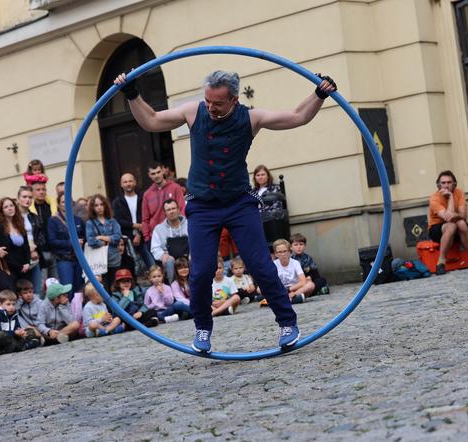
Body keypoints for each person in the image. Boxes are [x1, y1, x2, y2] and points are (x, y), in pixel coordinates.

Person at [114, 69, 336, 352]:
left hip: (238, 203)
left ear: (233, 99)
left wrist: (320, 93)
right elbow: (152, 121)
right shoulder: (194, 112)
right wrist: (131, 93)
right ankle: (203, 329)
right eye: (207, 100)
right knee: (201, 270)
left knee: (260, 266)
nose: (210, 107)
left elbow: (297, 116)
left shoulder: (251, 117)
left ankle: (287, 323)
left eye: (217, 103)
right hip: (202, 205)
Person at [427, 170, 468, 275]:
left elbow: (464, 215)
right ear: (438, 185)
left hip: (458, 226)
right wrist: (450, 198)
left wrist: (456, 215)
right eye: (443, 183)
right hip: (437, 229)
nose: (446, 185)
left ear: (454, 183)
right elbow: (448, 218)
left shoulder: (459, 192)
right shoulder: (434, 198)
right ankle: (441, 263)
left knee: (461, 223)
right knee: (451, 226)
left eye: (449, 182)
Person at [47, 193, 85, 300]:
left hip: (78, 259)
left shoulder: (78, 220)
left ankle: (79, 314)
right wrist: (71, 242)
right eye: (63, 202)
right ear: (58, 204)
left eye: (68, 201)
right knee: (67, 289)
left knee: (80, 289)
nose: (66, 203)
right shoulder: (53, 221)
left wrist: (82, 241)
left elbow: (84, 237)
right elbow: (52, 241)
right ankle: (68, 314)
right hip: (64, 259)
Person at [112, 172, 154, 267]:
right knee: (132, 267)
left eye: (130, 181)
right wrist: (135, 225)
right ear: (121, 184)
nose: (128, 184)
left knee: (152, 264)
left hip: (144, 236)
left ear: (135, 182)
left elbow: (147, 216)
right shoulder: (117, 201)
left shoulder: (143, 198)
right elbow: (117, 220)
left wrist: (139, 234)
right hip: (126, 239)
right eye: (125, 182)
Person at [0, 197, 32, 292]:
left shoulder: (19, 224)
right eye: (6, 207)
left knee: (28, 295)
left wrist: (27, 263)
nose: (10, 208)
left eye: (11, 205)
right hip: (10, 270)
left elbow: (26, 247)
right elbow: (4, 253)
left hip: (25, 268)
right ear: (1, 211)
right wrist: (19, 267)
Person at [140, 162, 185, 246]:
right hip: (156, 236)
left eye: (158, 172)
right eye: (153, 173)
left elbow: (182, 209)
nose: (156, 175)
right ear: (149, 175)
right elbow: (145, 219)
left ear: (163, 171)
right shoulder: (147, 194)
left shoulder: (175, 187)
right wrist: (147, 238)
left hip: (176, 234)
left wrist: (181, 230)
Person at [0, 290, 40, 354]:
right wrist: (15, 333)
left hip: (11, 337)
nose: (11, 307)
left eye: (13, 304)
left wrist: (20, 332)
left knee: (30, 331)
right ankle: (24, 346)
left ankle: (21, 345)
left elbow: (17, 326)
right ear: (0, 304)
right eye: (8, 304)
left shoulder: (13, 313)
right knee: (1, 335)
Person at [86, 194, 122, 287]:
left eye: (101, 204)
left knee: (115, 286)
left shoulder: (112, 221)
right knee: (103, 287)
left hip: (114, 259)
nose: (99, 208)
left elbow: (118, 237)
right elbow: (91, 241)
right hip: (99, 262)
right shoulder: (90, 223)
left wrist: (102, 238)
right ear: (92, 208)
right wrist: (107, 241)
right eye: (96, 205)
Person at [150, 199, 188, 283]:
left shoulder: (189, 224)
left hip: (188, 257)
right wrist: (162, 255)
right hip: (171, 260)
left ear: (178, 209)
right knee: (169, 261)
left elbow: (196, 242)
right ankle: (173, 288)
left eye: (173, 208)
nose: (171, 211)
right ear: (165, 213)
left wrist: (193, 253)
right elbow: (155, 248)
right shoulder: (158, 229)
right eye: (168, 210)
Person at [17, 186, 45, 297]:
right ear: (18, 198)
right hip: (20, 259)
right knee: (21, 292)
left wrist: (35, 248)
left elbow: (41, 238)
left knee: (37, 291)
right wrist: (28, 248)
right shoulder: (13, 217)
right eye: (24, 197)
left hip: (34, 258)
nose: (27, 199)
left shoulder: (34, 217)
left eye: (30, 197)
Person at [30, 180, 58, 280]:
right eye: (38, 190)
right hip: (39, 251)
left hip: (53, 250)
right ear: (32, 192)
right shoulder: (30, 209)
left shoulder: (51, 206)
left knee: (56, 283)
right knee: (42, 285)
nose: (41, 192)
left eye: (43, 189)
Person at [272, 239, 315, 303]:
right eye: (280, 252)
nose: (283, 254)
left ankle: (288, 298)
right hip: (280, 290)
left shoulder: (295, 263)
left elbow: (303, 281)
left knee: (310, 285)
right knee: (260, 289)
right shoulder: (273, 264)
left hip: (295, 288)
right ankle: (294, 299)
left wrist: (290, 290)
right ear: (275, 254)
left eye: (285, 251)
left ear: (289, 252)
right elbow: (272, 283)